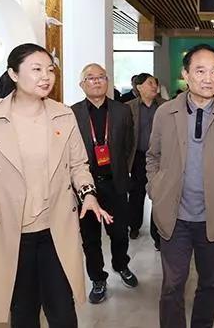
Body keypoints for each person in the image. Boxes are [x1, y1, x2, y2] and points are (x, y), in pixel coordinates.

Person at [0, 43, 112, 327]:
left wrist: (88, 194)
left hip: (55, 231)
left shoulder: (63, 115)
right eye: (37, 69)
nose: (46, 77)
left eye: (50, 70)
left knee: (63, 312)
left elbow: (78, 165)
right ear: (13, 74)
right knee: (23, 312)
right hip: (11, 232)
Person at [146, 44, 214, 328]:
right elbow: (152, 156)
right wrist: (156, 189)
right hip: (174, 217)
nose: (208, 78)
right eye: (200, 71)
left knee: (210, 283)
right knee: (172, 285)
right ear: (186, 74)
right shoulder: (165, 112)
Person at [71, 63, 138, 304]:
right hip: (86, 187)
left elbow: (130, 145)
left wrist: (123, 170)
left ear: (108, 81)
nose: (97, 81)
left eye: (101, 77)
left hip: (115, 183)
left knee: (119, 233)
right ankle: (98, 278)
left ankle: (121, 265)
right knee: (90, 238)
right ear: (82, 84)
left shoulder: (122, 111)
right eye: (90, 78)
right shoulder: (72, 113)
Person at [126, 73, 166, 249]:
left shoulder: (165, 106)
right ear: (139, 87)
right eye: (150, 83)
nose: (154, 86)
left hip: (161, 158)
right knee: (136, 193)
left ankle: (157, 234)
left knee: (159, 193)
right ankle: (134, 226)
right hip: (139, 157)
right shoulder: (129, 108)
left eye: (155, 83)